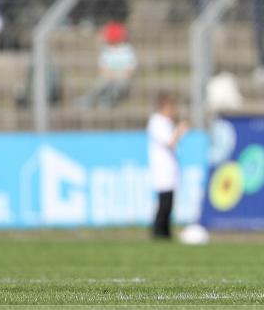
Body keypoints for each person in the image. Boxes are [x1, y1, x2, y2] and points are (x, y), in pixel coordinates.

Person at [147, 92, 189, 240]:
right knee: (164, 203)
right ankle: (159, 232)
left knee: (169, 203)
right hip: (162, 170)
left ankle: (166, 233)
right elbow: (170, 143)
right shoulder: (156, 122)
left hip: (170, 170)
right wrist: (180, 131)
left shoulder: (166, 123)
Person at [76, 21, 137, 109]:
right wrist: (109, 75)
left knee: (117, 87)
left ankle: (108, 101)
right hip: (108, 75)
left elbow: (131, 68)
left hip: (123, 76)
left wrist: (121, 75)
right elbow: (102, 67)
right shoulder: (106, 49)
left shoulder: (127, 50)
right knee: (100, 83)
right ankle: (89, 99)